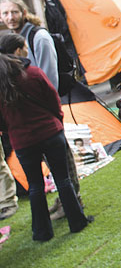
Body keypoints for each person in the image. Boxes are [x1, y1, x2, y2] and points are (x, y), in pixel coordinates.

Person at [0, 33, 92, 241]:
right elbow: (53, 101)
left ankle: (41, 232)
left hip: (23, 141)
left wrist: (13, 129)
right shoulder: (33, 73)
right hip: (50, 133)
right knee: (63, 179)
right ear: (17, 51)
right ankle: (77, 221)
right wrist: (56, 122)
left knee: (35, 187)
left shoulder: (5, 84)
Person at [0, 0, 81, 220]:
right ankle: (64, 200)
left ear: (23, 12)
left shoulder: (39, 36)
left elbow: (49, 79)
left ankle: (73, 201)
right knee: (50, 164)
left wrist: (53, 115)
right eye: (5, 13)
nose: (10, 17)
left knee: (62, 162)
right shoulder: (12, 40)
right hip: (27, 118)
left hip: (45, 115)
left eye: (13, 12)